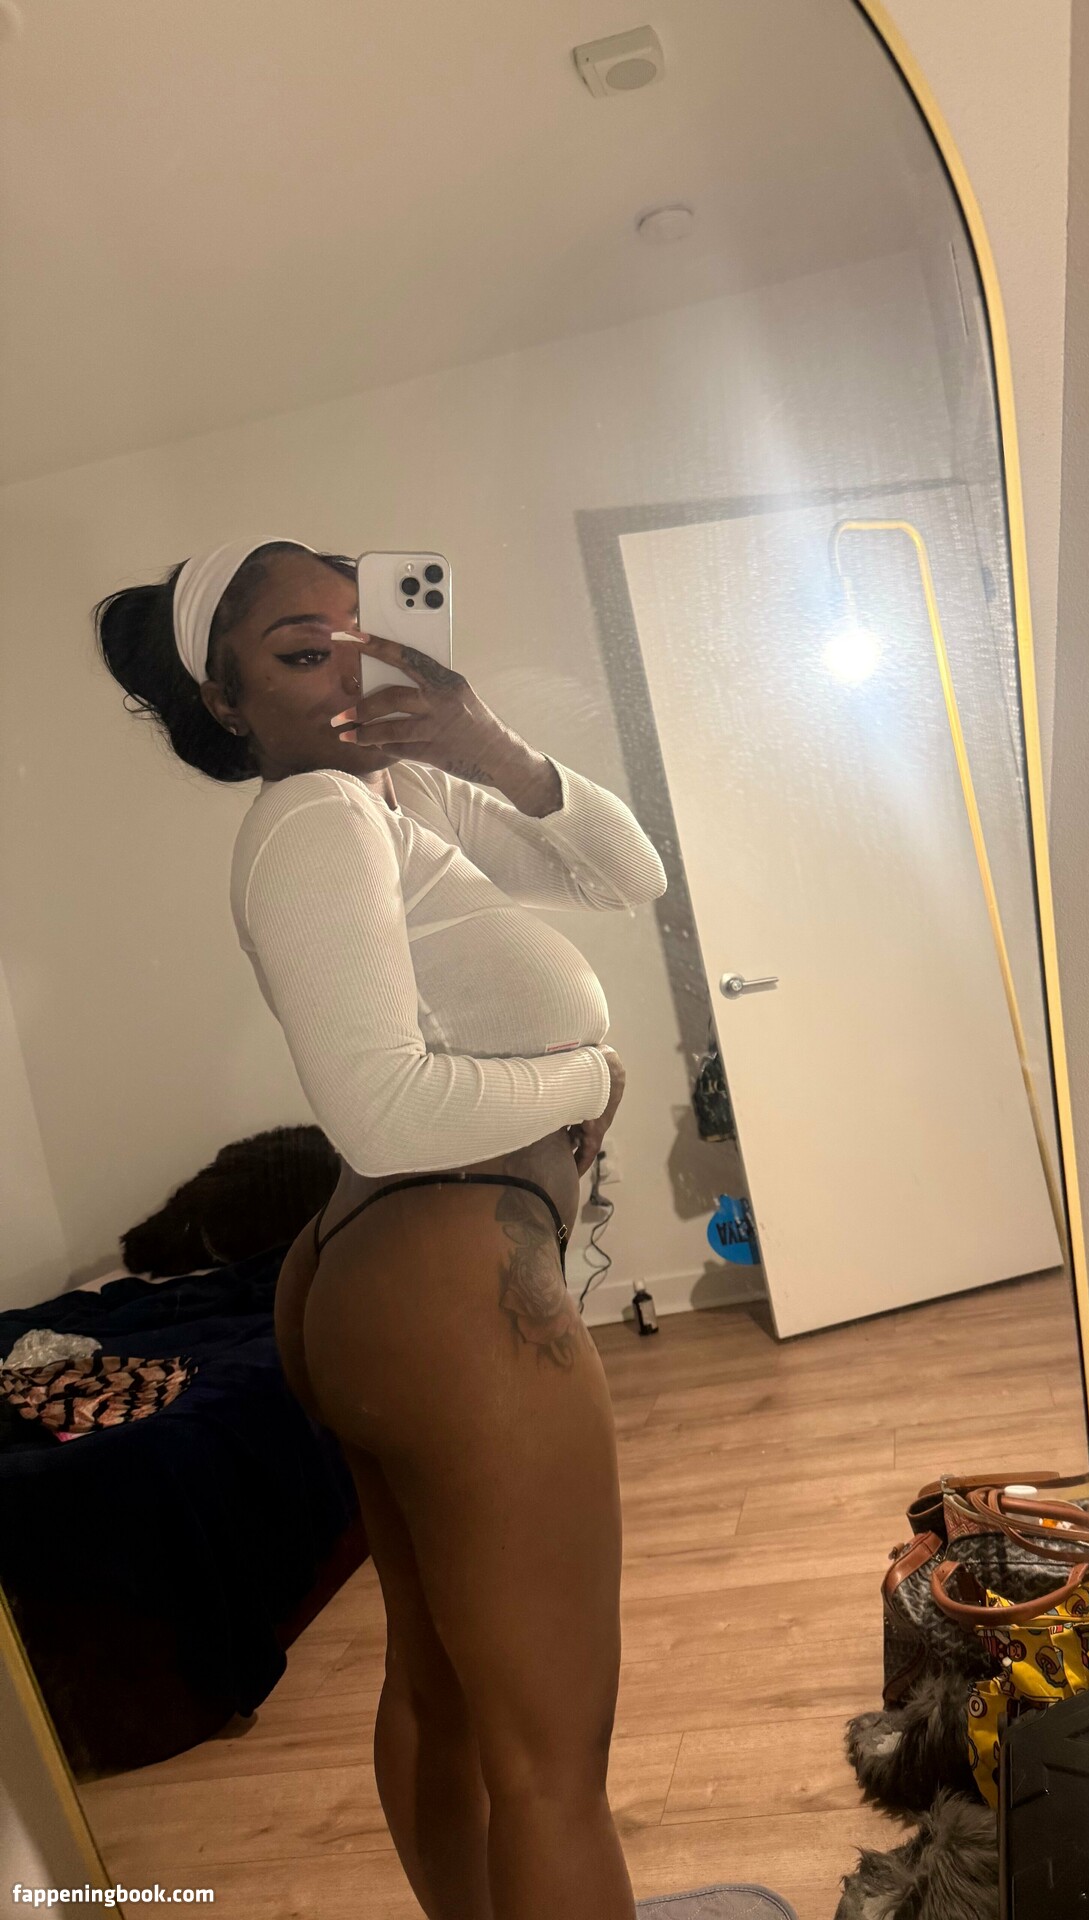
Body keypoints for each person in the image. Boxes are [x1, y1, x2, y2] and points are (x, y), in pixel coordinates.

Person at [95, 537, 667, 1919]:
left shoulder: (395, 790)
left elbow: (628, 875)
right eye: (303, 653)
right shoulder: (315, 819)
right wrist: (587, 1077)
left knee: (443, 1689)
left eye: (362, 637)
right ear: (227, 702)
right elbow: (383, 1109)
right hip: (440, 1271)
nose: (349, 673)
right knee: (554, 1764)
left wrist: (489, 745)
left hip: (398, 1268)